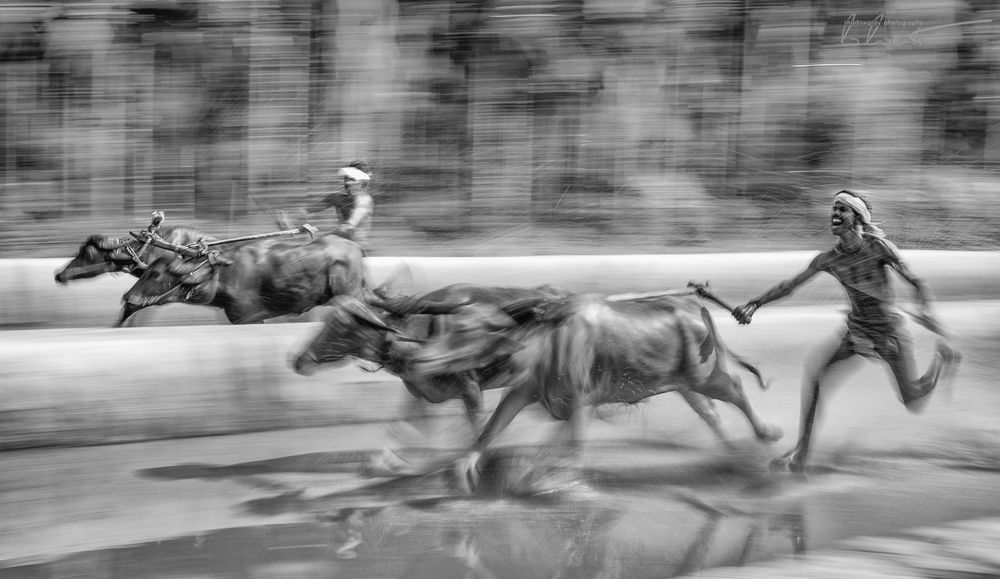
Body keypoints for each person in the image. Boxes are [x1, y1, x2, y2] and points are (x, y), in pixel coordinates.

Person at [732, 189, 961, 473]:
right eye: (834, 209)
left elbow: (917, 282)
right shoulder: (828, 259)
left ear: (858, 218)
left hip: (888, 334)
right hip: (856, 332)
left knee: (912, 400)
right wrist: (754, 304)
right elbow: (789, 286)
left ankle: (942, 359)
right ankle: (801, 452)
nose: (835, 214)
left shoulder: (879, 248)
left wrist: (925, 310)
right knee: (815, 375)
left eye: (842, 210)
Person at [281, 160, 374, 250]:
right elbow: (308, 210)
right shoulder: (337, 198)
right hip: (338, 247)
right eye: (347, 178)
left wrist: (319, 238)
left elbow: (348, 227)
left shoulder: (364, 201)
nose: (347, 182)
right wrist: (289, 220)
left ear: (362, 183)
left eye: (352, 179)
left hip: (356, 250)